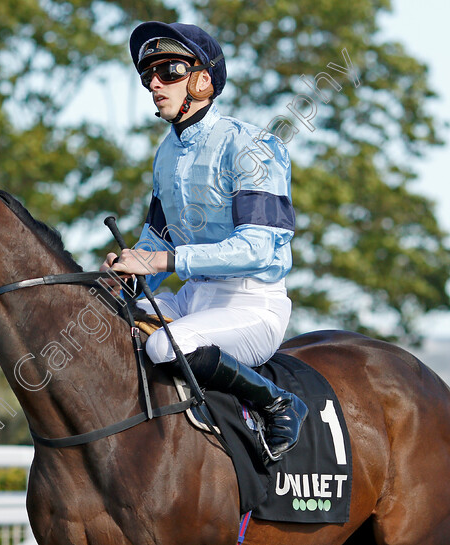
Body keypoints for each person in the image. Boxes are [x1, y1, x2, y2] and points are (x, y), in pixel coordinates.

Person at [102, 21, 308, 460]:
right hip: (193, 300)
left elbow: (259, 247)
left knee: (163, 344)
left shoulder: (252, 144)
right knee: (102, 322)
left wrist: (162, 263)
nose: (155, 84)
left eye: (170, 71)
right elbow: (155, 238)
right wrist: (128, 271)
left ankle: (278, 402)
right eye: (148, 76)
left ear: (203, 80)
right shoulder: (165, 154)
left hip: (252, 305)